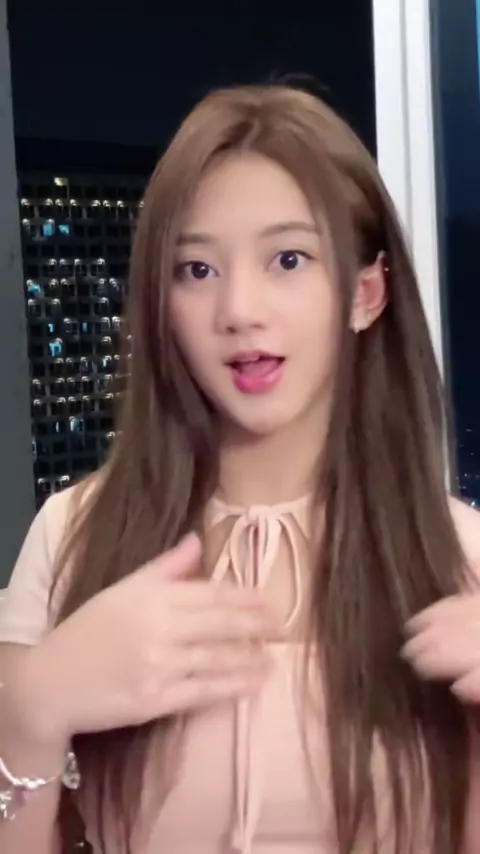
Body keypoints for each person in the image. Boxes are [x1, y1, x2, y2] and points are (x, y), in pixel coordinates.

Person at [1, 83, 480, 854]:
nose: (239, 310)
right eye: (196, 270)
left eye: (288, 259)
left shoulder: (458, 556)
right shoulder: (74, 538)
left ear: (365, 294)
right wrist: (34, 709)